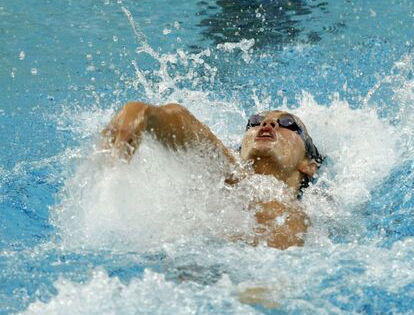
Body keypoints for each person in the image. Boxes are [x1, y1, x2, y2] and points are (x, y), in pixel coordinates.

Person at [101, 102, 324, 250]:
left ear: (309, 164)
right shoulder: (231, 177)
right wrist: (143, 114)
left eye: (288, 123)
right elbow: (189, 130)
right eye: (254, 122)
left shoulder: (311, 215)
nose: (267, 123)